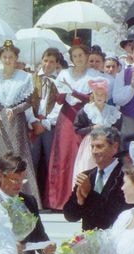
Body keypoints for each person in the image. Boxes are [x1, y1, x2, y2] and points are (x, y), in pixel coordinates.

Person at [63, 127, 132, 254]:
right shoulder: (87, 175)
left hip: (117, 253)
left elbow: (116, 213)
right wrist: (80, 197)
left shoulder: (126, 175)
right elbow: (70, 215)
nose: (94, 151)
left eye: (100, 146)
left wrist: (89, 194)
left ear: (114, 147)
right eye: (92, 146)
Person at [0, 40, 41, 206]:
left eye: (11, 57)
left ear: (16, 58)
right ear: (0, 58)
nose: (8, 60)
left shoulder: (25, 78)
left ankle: (23, 195)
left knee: (17, 155)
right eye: (5, 57)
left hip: (16, 122)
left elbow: (30, 101)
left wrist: (15, 110)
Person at [44, 43, 100, 210]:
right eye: (74, 56)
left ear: (86, 56)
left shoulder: (94, 75)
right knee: (64, 156)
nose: (78, 59)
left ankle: (82, 197)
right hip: (67, 117)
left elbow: (93, 98)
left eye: (80, 55)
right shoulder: (64, 73)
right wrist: (60, 92)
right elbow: (60, 100)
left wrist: (73, 91)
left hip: (85, 117)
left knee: (82, 156)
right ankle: (60, 199)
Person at [25, 48, 62, 198]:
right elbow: (26, 101)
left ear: (57, 64)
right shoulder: (31, 79)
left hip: (49, 125)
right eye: (45, 61)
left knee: (50, 160)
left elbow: (60, 104)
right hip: (32, 124)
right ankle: (32, 196)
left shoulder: (59, 81)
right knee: (32, 160)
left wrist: (46, 122)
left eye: (52, 61)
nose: (47, 64)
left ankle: (49, 198)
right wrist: (33, 121)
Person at [72, 79, 122, 184]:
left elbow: (118, 130)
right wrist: (91, 128)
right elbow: (77, 129)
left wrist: (110, 131)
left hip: (108, 143)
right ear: (93, 96)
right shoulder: (86, 110)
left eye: (102, 94)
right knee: (89, 167)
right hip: (91, 144)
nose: (99, 97)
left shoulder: (113, 112)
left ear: (106, 96)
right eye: (97, 94)